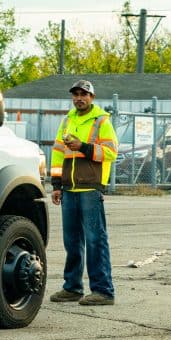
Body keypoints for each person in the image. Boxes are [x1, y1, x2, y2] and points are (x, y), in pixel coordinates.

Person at [49, 79, 118, 306]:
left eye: (84, 94)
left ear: (92, 97)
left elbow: (111, 152)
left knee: (95, 240)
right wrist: (57, 185)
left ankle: (103, 291)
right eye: (76, 94)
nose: (79, 98)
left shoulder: (101, 121)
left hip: (90, 187)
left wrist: (84, 148)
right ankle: (72, 288)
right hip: (69, 189)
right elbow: (59, 154)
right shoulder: (67, 120)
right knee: (72, 241)